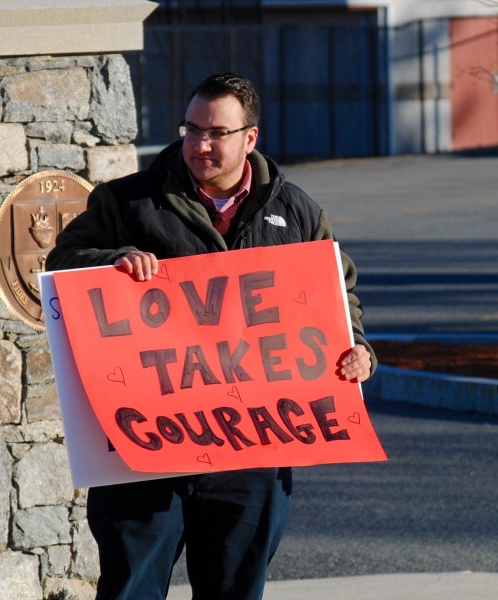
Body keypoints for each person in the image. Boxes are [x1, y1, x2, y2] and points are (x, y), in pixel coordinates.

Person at [46, 72, 376, 600]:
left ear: (250, 138)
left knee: (235, 590)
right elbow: (62, 263)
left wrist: (357, 347)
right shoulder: (129, 202)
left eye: (216, 133)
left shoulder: (297, 213)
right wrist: (113, 261)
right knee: (131, 587)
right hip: (144, 447)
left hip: (253, 447)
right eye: (191, 129)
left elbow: (338, 293)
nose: (200, 144)